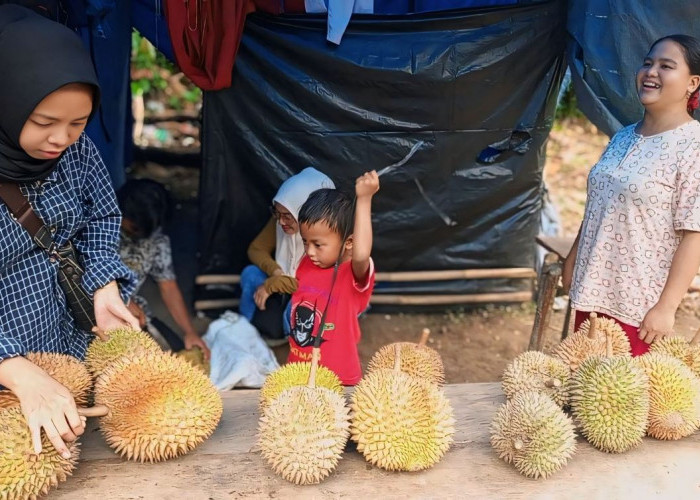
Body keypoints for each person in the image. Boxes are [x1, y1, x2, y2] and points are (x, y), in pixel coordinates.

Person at [0, 5, 139, 460]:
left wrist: (103, 284)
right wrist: (16, 371)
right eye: (43, 123)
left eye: (77, 123)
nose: (61, 139)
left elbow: (101, 218)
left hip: (68, 332)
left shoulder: (78, 154)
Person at [563, 34, 700, 356]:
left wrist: (666, 308)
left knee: (620, 398)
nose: (651, 71)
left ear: (692, 83)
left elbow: (695, 233)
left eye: (666, 66)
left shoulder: (693, 146)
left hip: (638, 305)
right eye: (648, 63)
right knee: (582, 387)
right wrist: (573, 257)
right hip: (592, 291)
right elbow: (600, 204)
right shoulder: (624, 136)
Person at [288, 171, 379, 385]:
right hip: (298, 372)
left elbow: (361, 254)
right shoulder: (306, 264)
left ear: (348, 242)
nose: (309, 251)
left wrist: (364, 199)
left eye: (318, 244)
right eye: (305, 242)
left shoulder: (352, 275)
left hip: (339, 380)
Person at [117, 179, 210, 358]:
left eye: (146, 230)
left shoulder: (156, 239)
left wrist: (189, 331)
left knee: (174, 352)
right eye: (134, 228)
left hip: (137, 312)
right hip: (93, 304)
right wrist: (120, 300)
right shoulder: (98, 232)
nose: (140, 235)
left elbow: (168, 286)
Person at [240, 167, 335, 340]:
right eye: (277, 213)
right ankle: (243, 329)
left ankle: (296, 346)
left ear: (306, 212)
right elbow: (256, 249)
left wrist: (274, 284)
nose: (281, 221)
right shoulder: (280, 220)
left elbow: (318, 285)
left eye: (288, 215)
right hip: (283, 286)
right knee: (251, 274)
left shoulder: (327, 236)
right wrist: (276, 272)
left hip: (311, 295)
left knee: (299, 307)